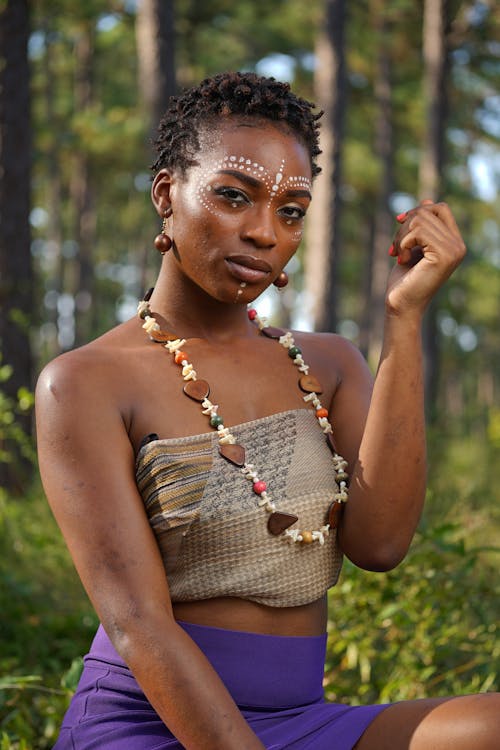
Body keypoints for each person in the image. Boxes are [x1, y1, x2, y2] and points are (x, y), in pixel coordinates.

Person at [36, 71, 499, 750]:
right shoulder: (84, 383)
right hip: (156, 725)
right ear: (167, 194)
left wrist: (403, 320)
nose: (263, 232)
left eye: (290, 211)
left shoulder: (328, 365)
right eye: (234, 196)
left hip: (301, 721)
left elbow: (380, 545)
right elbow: (139, 624)